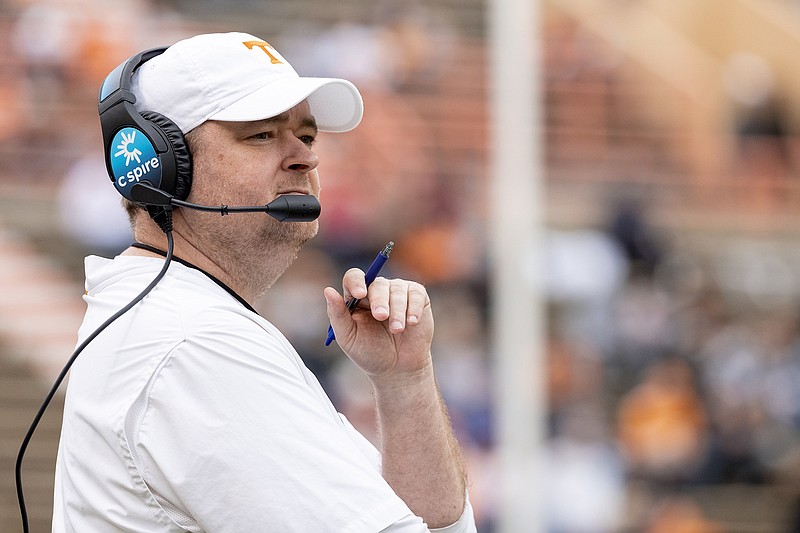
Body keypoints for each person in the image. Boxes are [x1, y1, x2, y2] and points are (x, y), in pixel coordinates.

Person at [52, 32, 476, 532]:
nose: (307, 157)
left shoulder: (187, 321)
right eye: (261, 134)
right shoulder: (196, 343)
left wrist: (404, 382)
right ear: (161, 168)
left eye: (308, 135)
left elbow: (434, 526)